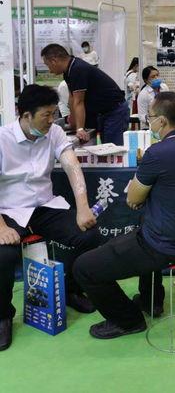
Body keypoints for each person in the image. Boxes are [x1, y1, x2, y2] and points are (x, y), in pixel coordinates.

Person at [73, 92, 175, 340]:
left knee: (84, 267)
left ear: (162, 121)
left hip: (165, 244)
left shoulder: (157, 153)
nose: (149, 122)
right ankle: (152, 301)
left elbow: (133, 198)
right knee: (142, 226)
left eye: (150, 117)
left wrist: (142, 193)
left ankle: (128, 321)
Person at [0, 84, 101, 351]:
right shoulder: (2, 139)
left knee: (89, 235)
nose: (51, 120)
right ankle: (2, 316)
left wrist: (82, 207)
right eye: (46, 115)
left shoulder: (54, 132)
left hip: (45, 206)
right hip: (9, 210)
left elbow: (72, 166)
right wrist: (0, 227)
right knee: (3, 254)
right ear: (25, 115)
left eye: (54, 113)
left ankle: (71, 290)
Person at [41, 44, 129, 146]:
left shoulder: (77, 69)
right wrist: (73, 122)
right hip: (103, 112)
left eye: (48, 65)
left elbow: (79, 101)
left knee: (112, 149)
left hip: (115, 111)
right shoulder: (68, 71)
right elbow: (72, 98)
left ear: (54, 61)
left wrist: (80, 129)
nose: (50, 70)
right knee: (106, 146)